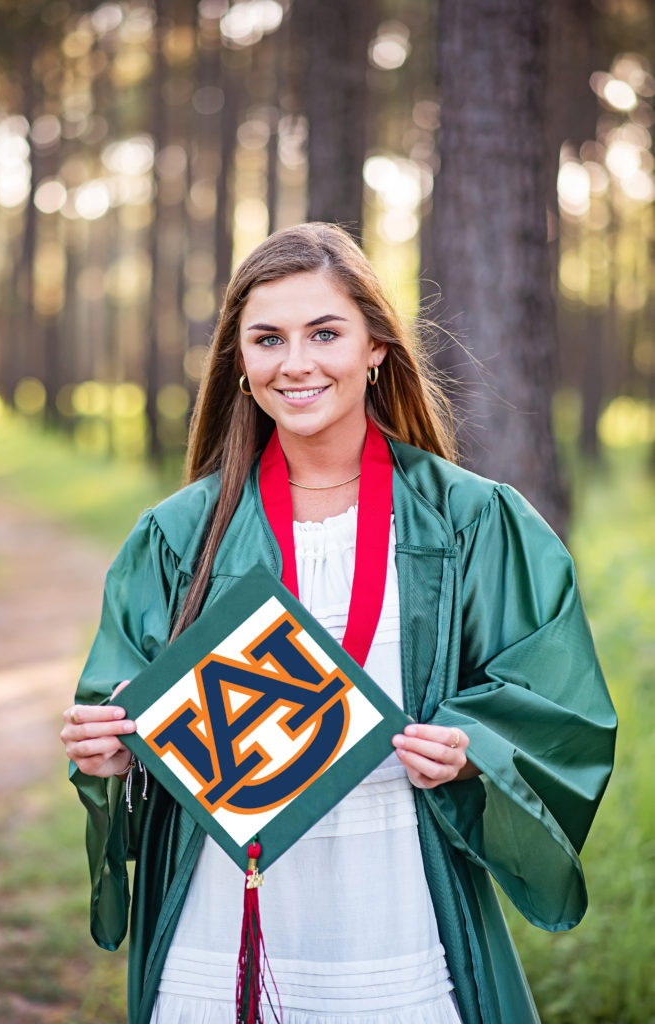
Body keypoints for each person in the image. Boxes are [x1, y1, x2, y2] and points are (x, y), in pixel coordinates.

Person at [61, 222, 616, 1024]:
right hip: (224, 912)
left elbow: (557, 704)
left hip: (393, 898)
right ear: (240, 364)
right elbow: (118, 703)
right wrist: (108, 750)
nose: (296, 363)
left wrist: (472, 752)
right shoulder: (180, 535)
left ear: (376, 346)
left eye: (325, 332)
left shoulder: (473, 522)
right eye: (267, 339)